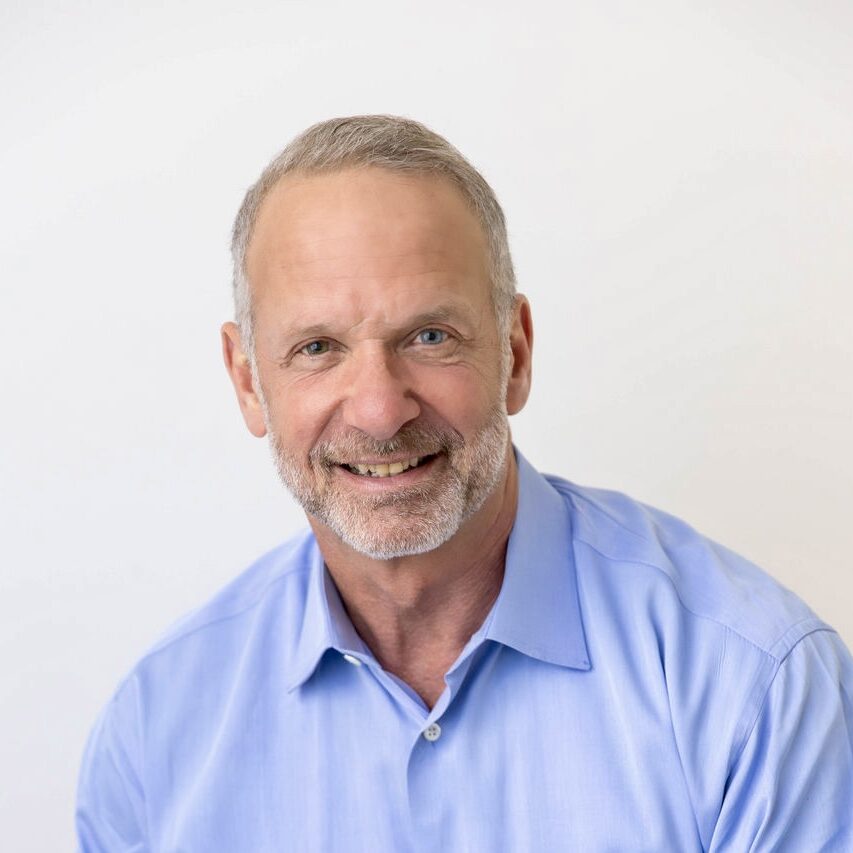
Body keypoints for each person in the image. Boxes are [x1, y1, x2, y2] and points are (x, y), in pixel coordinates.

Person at [76, 115, 853, 852]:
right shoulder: (156, 731)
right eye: (317, 347)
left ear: (514, 352)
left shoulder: (757, 685)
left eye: (429, 336)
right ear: (248, 382)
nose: (379, 410)